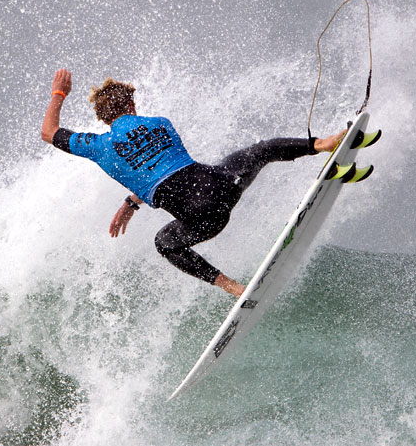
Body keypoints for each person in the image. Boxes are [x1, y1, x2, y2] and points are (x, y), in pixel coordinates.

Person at [40, 68, 344, 297]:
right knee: (260, 151)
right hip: (224, 186)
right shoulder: (161, 124)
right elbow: (161, 166)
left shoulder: (99, 147)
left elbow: (49, 132)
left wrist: (59, 93)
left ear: (103, 117)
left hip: (203, 220)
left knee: (164, 243)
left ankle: (231, 286)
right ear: (131, 102)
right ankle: (322, 144)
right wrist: (131, 202)